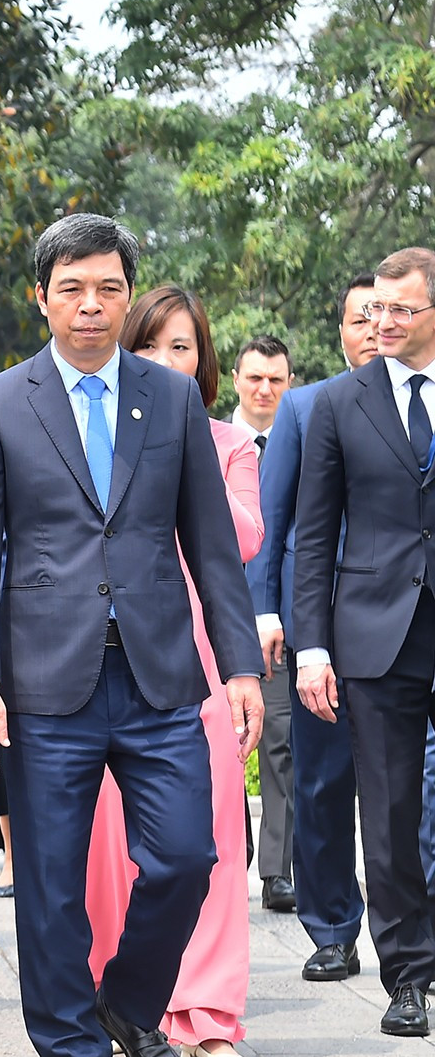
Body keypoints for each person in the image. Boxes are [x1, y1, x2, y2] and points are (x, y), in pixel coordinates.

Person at [0, 213, 263, 1057]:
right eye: (74, 288)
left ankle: (127, 999)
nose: (92, 305)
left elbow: (210, 543)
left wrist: (239, 667)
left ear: (128, 296)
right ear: (41, 297)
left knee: (187, 858)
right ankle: (74, 1056)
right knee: (49, 880)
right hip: (44, 682)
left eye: (110, 288)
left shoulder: (169, 403)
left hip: (161, 674)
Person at [83, 286, 262, 1057]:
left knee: (209, 834)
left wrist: (180, 457)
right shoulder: (95, 434)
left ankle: (211, 1015)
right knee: (113, 837)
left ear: (204, 359)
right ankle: (126, 999)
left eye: (180, 348)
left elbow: (245, 537)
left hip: (203, 656)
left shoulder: (228, 445)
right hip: (111, 654)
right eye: (148, 348)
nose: (164, 363)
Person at [293, 246, 435, 1038]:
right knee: (386, 809)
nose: (382, 323)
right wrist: (312, 645)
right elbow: (312, 538)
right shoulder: (338, 405)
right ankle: (407, 974)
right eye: (375, 308)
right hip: (375, 630)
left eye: (401, 310)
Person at [247, 277, 376, 982]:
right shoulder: (306, 405)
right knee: (322, 784)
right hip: (319, 621)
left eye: (385, 315)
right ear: (342, 330)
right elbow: (274, 519)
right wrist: (266, 611)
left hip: (404, 623)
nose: (373, 329)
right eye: (360, 318)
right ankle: (332, 929)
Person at [231, 335, 298, 912]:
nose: (265, 389)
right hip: (212, 617)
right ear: (235, 380)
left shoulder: (298, 441)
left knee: (277, 744)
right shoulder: (210, 438)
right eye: (255, 377)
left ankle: (277, 868)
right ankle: (231, 851)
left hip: (277, 623)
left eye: (276, 379)